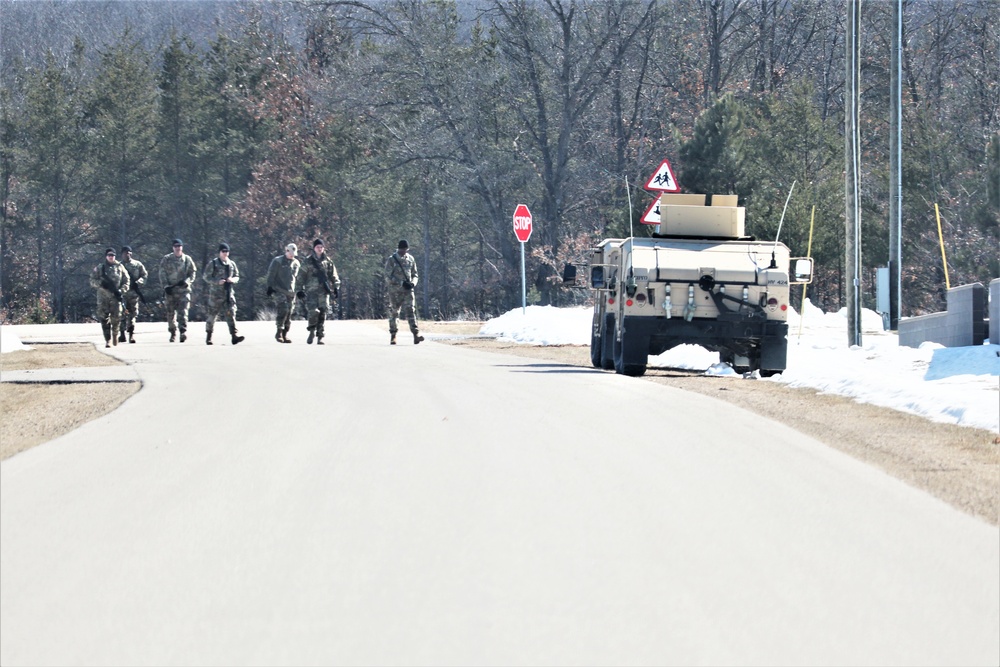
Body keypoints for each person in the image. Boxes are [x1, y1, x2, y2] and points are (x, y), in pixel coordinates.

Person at [299, 239, 341, 345]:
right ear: (314, 248)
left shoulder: (328, 261)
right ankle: (312, 331)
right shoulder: (307, 261)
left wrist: (336, 287)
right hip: (311, 291)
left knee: (323, 312)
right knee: (312, 312)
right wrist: (300, 289)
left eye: (321, 247)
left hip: (323, 291)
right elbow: (301, 276)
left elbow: (333, 275)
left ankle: (320, 336)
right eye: (318, 247)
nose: (320, 249)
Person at [202, 242, 244, 345]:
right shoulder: (213, 263)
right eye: (223, 251)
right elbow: (206, 277)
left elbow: (237, 276)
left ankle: (234, 336)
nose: (225, 253)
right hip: (216, 295)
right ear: (219, 252)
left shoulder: (232, 264)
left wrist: (232, 280)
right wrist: (217, 281)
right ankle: (209, 336)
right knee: (212, 316)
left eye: (227, 251)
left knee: (231, 315)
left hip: (228, 294)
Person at [383, 239, 424, 345]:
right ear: (398, 249)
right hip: (395, 291)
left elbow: (415, 274)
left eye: (405, 250)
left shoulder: (411, 259)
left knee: (411, 311)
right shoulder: (392, 260)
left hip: (408, 291)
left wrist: (413, 283)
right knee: (394, 312)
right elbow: (387, 277)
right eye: (402, 250)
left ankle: (416, 335)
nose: (403, 252)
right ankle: (393, 335)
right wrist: (401, 283)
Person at [88, 247, 130, 349]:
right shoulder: (100, 268)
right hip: (103, 297)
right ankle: (108, 339)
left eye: (113, 255)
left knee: (116, 318)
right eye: (109, 255)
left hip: (115, 297)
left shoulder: (120, 267)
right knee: (104, 318)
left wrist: (121, 291)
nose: (111, 257)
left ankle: (115, 335)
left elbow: (126, 280)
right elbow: (92, 280)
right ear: (106, 256)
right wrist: (101, 284)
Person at [158, 238, 197, 342]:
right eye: (175, 246)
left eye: (179, 246)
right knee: (170, 313)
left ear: (182, 247)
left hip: (183, 291)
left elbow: (192, 272)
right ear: (173, 247)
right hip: (171, 291)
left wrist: (187, 282)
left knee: (183, 312)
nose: (177, 248)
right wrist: (166, 286)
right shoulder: (166, 259)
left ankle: (183, 332)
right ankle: (173, 333)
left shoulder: (187, 259)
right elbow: (162, 273)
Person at [266, 243, 301, 343]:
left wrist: (300, 290)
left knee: (289, 313)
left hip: (291, 292)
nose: (292, 255)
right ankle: (279, 332)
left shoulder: (296, 263)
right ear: (286, 251)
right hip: (279, 290)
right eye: (290, 252)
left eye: (294, 253)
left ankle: (285, 333)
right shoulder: (278, 261)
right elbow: (271, 274)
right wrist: (269, 287)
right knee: (283, 309)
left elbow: (298, 278)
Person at [117, 245, 148, 344]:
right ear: (122, 254)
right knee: (121, 313)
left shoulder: (137, 264)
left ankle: (131, 334)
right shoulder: (118, 266)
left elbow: (144, 275)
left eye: (129, 252)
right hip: (122, 293)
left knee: (133, 314)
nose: (128, 254)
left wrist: (138, 282)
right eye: (125, 252)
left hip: (133, 294)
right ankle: (122, 334)